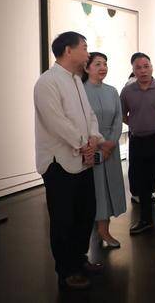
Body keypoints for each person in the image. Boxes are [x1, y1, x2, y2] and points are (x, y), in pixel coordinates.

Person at [34, 31, 105, 290]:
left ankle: (78, 258)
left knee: (85, 213)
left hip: (82, 160)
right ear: (68, 50)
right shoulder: (47, 82)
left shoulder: (75, 80)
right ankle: (66, 269)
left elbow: (90, 116)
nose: (88, 52)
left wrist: (93, 138)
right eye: (84, 47)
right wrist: (83, 143)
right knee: (63, 219)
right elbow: (56, 121)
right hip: (59, 163)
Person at [82, 52, 126, 249]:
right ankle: (97, 230)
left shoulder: (112, 91)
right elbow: (81, 122)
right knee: (96, 189)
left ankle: (104, 229)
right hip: (91, 147)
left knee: (109, 189)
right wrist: (99, 143)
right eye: (98, 64)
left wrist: (111, 142)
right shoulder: (81, 91)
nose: (103, 68)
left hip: (111, 147)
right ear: (87, 68)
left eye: (105, 64)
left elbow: (118, 118)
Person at [120, 52, 155, 235]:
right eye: (138, 67)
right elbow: (123, 114)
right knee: (142, 183)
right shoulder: (127, 91)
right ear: (133, 70)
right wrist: (135, 124)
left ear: (152, 67)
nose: (143, 70)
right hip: (138, 141)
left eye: (146, 66)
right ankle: (145, 219)